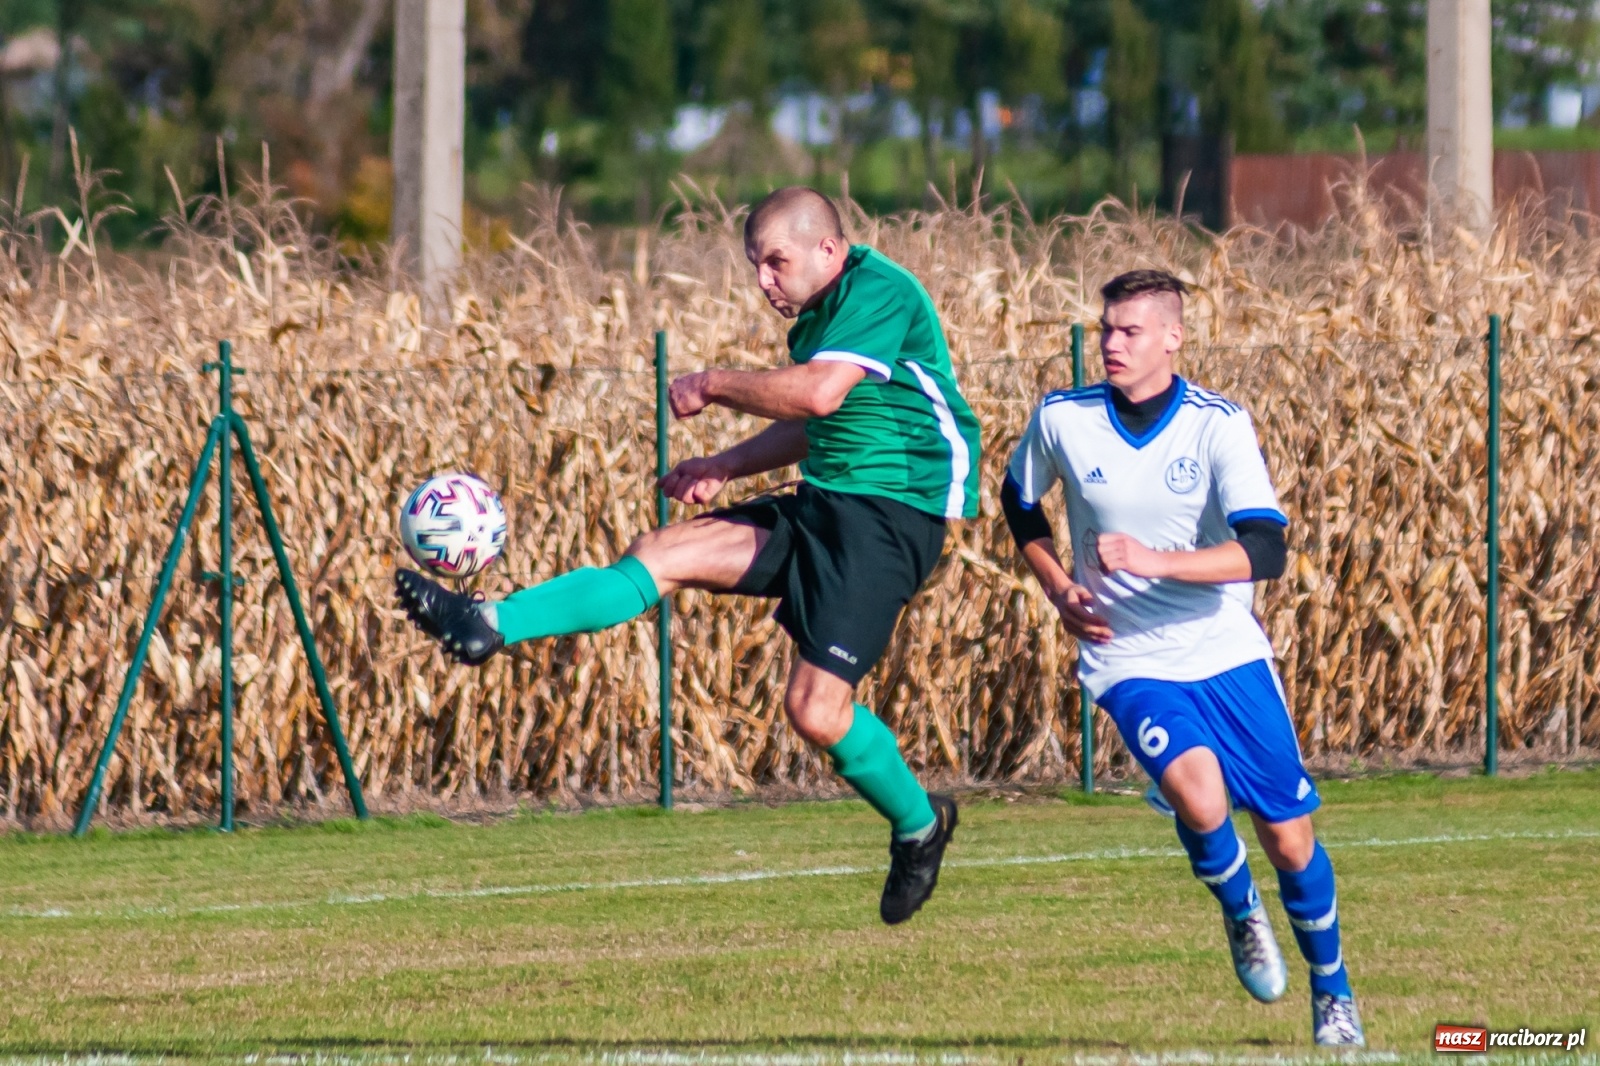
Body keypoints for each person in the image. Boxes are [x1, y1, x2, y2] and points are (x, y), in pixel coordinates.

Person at [396, 186, 982, 926]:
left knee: (815, 710)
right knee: (662, 552)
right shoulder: (819, 317)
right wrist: (727, 466)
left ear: (828, 252)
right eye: (756, 266)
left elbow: (821, 396)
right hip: (829, 497)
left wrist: (712, 384)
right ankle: (485, 622)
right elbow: (821, 423)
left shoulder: (878, 289)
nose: (765, 280)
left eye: (777, 262)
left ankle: (920, 825)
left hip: (891, 516)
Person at [1000, 269, 1364, 1046]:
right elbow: (1018, 502)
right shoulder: (1064, 418)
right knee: (1199, 799)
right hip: (1127, 654)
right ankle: (1242, 913)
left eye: (1130, 331)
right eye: (1106, 329)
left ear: (1174, 337)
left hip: (1223, 647)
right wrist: (1060, 587)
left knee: (1290, 839)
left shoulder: (1217, 426)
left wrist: (1153, 559)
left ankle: (1332, 991)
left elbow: (1265, 549)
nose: (1111, 344)